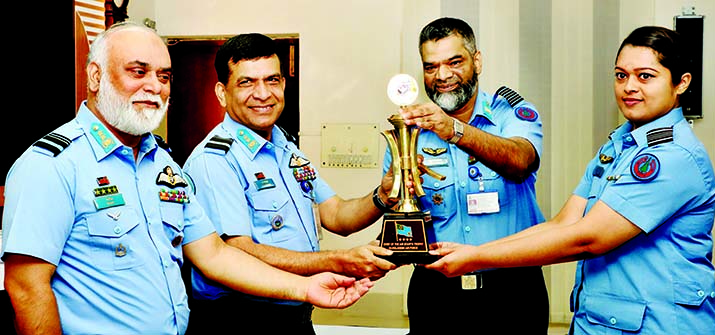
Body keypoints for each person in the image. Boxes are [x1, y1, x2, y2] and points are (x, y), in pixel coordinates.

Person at [1, 21, 373, 335]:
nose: (154, 86)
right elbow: (27, 288)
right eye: (137, 71)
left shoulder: (162, 164)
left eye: (163, 76)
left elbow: (213, 253)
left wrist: (307, 289)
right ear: (96, 76)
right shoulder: (51, 165)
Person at [426, 26, 715, 335]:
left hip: (659, 325)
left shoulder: (673, 156)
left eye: (645, 76)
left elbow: (588, 239)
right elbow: (564, 223)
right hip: (601, 322)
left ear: (681, 83)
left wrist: (475, 257)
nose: (629, 86)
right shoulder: (620, 144)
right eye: (621, 75)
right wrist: (469, 252)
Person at [182, 33, 400, 334]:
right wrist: (340, 260)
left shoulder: (286, 149)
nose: (263, 93)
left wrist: (383, 195)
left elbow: (336, 214)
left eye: (272, 80)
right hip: (241, 321)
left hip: (295, 316)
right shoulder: (215, 160)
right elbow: (238, 251)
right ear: (222, 93)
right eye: (247, 82)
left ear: (283, 84)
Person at [384, 17, 549, 334]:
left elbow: (520, 161)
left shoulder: (511, 114)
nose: (442, 76)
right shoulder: (409, 131)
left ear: (477, 60)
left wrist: (455, 130)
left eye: (454, 62)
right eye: (431, 66)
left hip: (513, 291)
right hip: (436, 292)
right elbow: (400, 212)